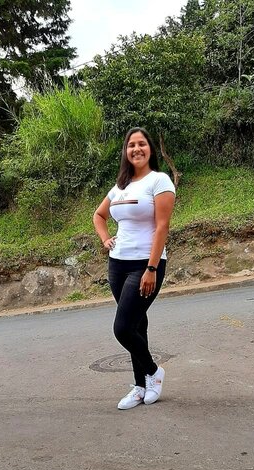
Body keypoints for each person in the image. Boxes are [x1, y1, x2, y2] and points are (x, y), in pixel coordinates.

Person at [93, 127, 176, 410]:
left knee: (123, 328)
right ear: (125, 151)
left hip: (146, 263)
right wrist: (106, 239)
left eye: (141, 144)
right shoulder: (119, 187)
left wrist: (151, 268)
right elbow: (99, 215)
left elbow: (162, 227)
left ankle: (154, 371)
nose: (136, 149)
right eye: (131, 145)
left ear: (150, 148)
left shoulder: (159, 181)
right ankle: (140, 387)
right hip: (117, 264)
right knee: (137, 325)